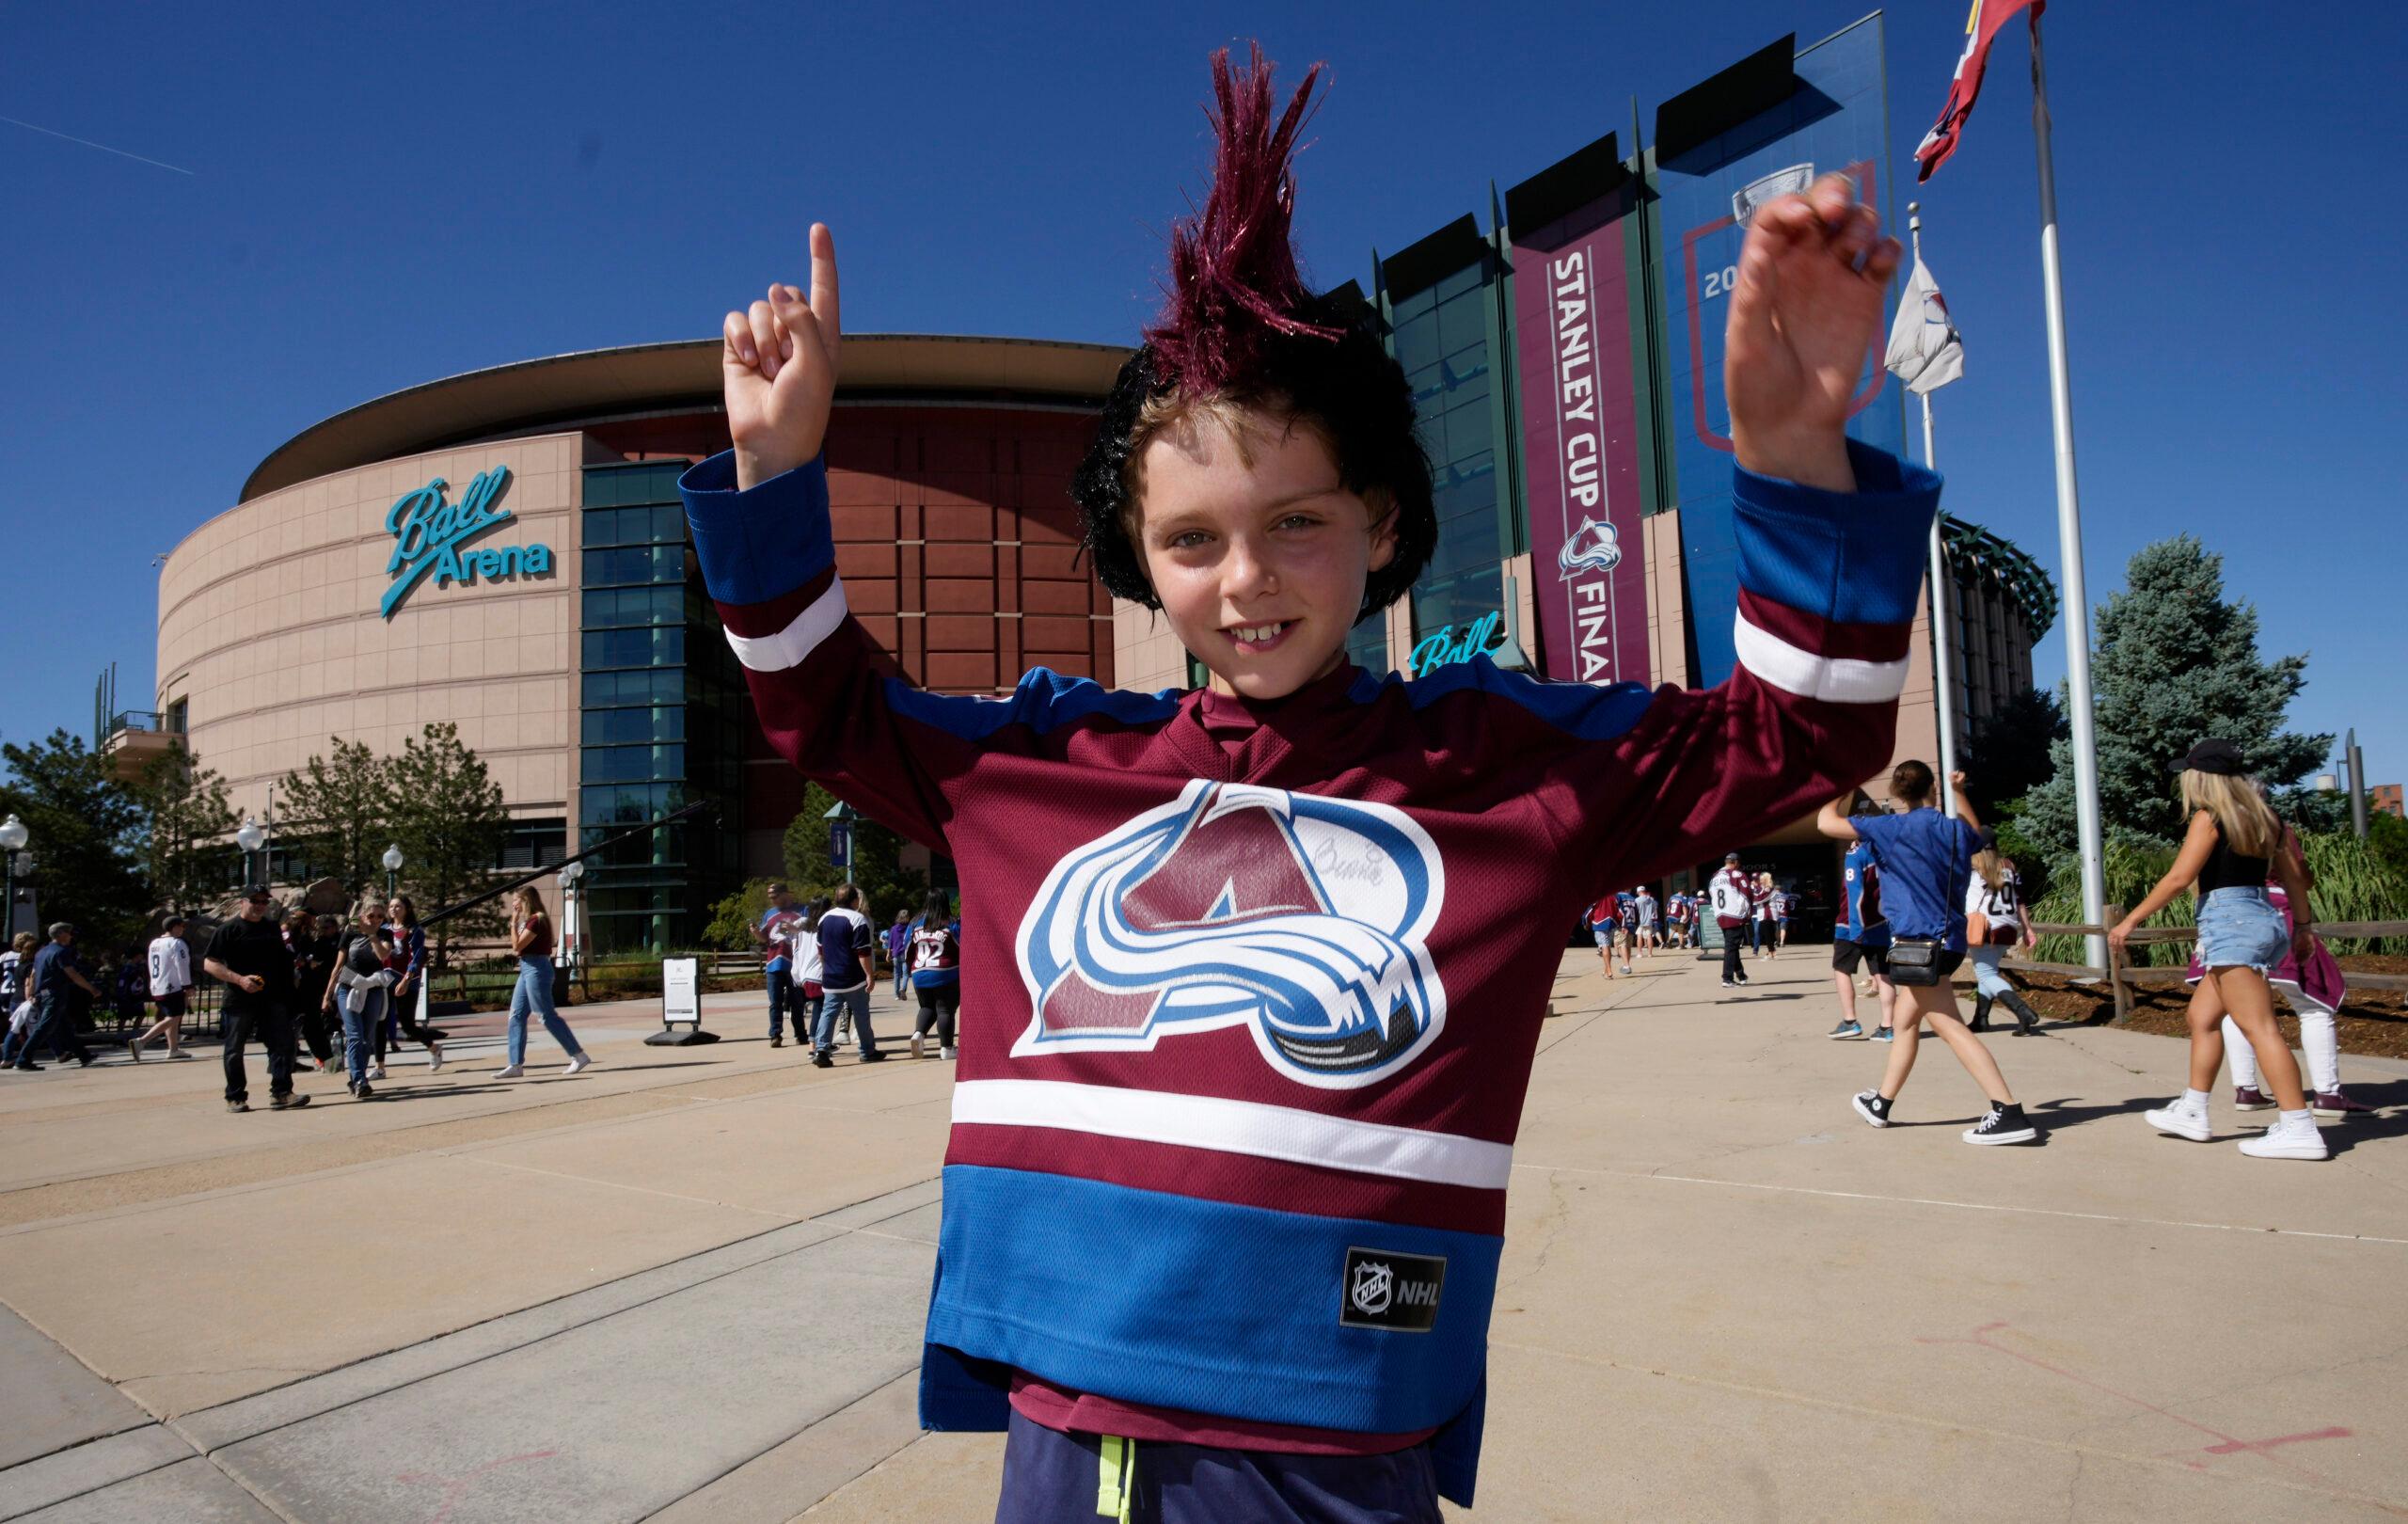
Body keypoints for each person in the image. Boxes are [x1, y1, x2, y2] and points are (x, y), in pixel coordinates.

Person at [684, 49, 1924, 1515]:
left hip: (1338, 1457)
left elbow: (1799, 741)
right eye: (1192, 541)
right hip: (1064, 1446)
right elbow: (824, 716)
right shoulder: (1039, 766)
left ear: (1381, 518)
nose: (1248, 581)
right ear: (1138, 561)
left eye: (1297, 522)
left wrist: (1793, 463)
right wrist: (775, 478)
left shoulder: (1503, 768)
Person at [2123, 739, 2326, 1161]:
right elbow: (2293, 881)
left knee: (2260, 1027)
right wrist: (2303, 927)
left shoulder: (2209, 816)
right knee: (2201, 1015)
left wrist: (2130, 920)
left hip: (2230, 922)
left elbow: (2180, 877)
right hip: (2259, 915)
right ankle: (2194, 1109)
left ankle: (2299, 1127)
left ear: (2201, 777)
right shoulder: (2267, 817)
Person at [1821, 767, 2036, 1144]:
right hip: (1947, 942)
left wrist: (1840, 786)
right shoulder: (1952, 830)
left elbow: (1826, 823)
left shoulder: (1888, 828)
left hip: (1918, 947)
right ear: (1933, 789)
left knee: (1949, 1025)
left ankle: (2007, 1110)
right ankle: (1881, 1104)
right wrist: (1959, 792)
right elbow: (1980, 833)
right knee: (1904, 1022)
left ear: (1897, 793)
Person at [2183, 816, 2369, 1117]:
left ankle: (2245, 1087)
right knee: (2312, 1006)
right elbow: (2298, 878)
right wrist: (2304, 923)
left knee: (2231, 1007)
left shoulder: (2214, 822)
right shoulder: (2270, 825)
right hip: (2270, 914)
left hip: (2225, 917)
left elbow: (2187, 875)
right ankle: (2325, 1094)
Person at [202, 887, 307, 1113]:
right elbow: (210, 963)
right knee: (234, 1049)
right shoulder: (228, 929)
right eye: (255, 901)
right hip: (239, 999)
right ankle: (235, 1096)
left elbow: (281, 960)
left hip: (272, 997)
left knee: (282, 1044)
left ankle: (281, 1093)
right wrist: (239, 980)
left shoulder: (271, 928)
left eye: (263, 901)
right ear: (242, 902)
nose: (260, 905)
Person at [499, 886, 591, 1078]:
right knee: (515, 1015)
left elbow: (517, 946)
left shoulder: (536, 920)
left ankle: (578, 1055)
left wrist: (513, 924)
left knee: (546, 1015)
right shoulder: (532, 920)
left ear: (525, 900)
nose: (513, 904)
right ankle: (515, 1064)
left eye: (516, 900)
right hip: (526, 968)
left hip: (537, 969)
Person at [1826, 793, 1893, 1042]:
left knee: (1841, 970)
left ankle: (1850, 1021)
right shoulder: (1886, 856)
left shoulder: (1856, 855)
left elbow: (1855, 893)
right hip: (1881, 923)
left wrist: (1856, 928)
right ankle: (1888, 1026)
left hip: (1851, 924)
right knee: (1882, 974)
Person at [1963, 835, 2043, 1036]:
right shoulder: (2008, 867)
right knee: (1988, 972)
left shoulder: (1972, 869)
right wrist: (2027, 928)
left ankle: (2023, 1011)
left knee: (1986, 974)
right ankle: (1980, 1019)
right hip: (2007, 927)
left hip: (1984, 928)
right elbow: (2021, 900)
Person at [7, 922, 98, 1071]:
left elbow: (34, 975)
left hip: (43, 995)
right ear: (61, 934)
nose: (70, 936)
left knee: (64, 1027)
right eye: (68, 933)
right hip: (54, 995)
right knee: (43, 1029)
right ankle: (23, 1060)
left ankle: (84, 1055)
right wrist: (92, 989)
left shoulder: (41, 952)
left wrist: (32, 993)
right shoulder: (61, 951)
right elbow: (72, 974)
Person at [327, 905, 396, 1098]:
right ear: (361, 916)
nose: (375, 919)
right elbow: (338, 966)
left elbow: (383, 956)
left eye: (380, 916)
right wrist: (327, 995)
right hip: (348, 988)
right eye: (371, 915)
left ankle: (355, 1078)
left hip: (372, 989)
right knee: (355, 1035)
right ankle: (360, 1080)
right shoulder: (349, 935)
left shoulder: (384, 935)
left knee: (367, 1039)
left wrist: (373, 935)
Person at [371, 896, 444, 1077]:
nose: (394, 909)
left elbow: (416, 957)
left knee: (408, 1026)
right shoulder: (384, 929)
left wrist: (406, 980)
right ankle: (380, 1067)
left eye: (399, 906)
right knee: (380, 1022)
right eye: (392, 906)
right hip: (386, 978)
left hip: (406, 981)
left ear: (407, 909)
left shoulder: (414, 931)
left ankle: (434, 1048)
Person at [812, 883, 879, 1064]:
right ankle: (867, 1051)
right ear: (854, 900)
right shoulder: (858, 920)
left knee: (828, 1014)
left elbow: (820, 950)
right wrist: (869, 975)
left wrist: (827, 968)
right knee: (861, 1014)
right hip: (853, 978)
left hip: (831, 977)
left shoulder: (824, 918)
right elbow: (863, 953)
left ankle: (821, 1050)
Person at [909, 889, 962, 1060]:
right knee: (945, 1010)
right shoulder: (951, 923)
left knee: (927, 1007)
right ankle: (946, 1048)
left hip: (919, 972)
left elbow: (906, 948)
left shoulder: (915, 923)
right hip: (945, 972)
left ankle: (919, 1034)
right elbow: (964, 945)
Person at [132, 915, 196, 1059]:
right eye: (181, 926)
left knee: (170, 1016)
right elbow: (182, 965)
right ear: (174, 927)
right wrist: (188, 985)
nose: (183, 929)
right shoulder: (177, 943)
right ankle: (141, 1041)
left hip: (157, 985)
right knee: (174, 1017)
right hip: (173, 986)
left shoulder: (154, 943)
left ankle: (173, 1049)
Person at [286, 910, 341, 1072]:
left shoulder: (301, 938)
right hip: (300, 990)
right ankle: (327, 1064)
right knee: (309, 1028)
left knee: (310, 1028)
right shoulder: (294, 938)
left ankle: (326, 1063)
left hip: (307, 989)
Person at [752, 881, 803, 1047]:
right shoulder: (769, 914)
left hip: (794, 963)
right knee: (775, 1001)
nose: (772, 900)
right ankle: (775, 1034)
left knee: (797, 1001)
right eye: (770, 898)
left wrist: (792, 929)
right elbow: (765, 938)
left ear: (785, 894)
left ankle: (801, 1034)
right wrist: (756, 933)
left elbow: (809, 932)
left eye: (775, 897)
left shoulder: (802, 911)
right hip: (774, 962)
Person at [1708, 853, 1753, 988]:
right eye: (1738, 863)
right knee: (1731, 948)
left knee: (1732, 946)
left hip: (1720, 914)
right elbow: (1747, 894)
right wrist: (1748, 913)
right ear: (1735, 862)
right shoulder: (1737, 875)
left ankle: (1741, 975)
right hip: (1734, 914)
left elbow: (1711, 894)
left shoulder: (1715, 876)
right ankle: (1727, 978)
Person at [887, 909, 912, 1001]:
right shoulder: (909, 928)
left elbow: (890, 942)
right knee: (906, 974)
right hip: (905, 953)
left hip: (896, 954)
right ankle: (903, 989)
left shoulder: (894, 928)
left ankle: (897, 995)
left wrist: (888, 953)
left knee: (896, 975)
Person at [1753, 871, 1780, 958]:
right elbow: (1757, 896)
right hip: (1764, 913)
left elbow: (1760, 899)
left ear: (1765, 880)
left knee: (1767, 933)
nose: (1760, 881)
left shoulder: (1769, 888)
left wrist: (1755, 888)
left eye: (1761, 879)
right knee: (1767, 933)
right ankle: (1771, 951)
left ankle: (1772, 951)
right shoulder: (1763, 888)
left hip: (1768, 913)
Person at [1632, 886, 1658, 957]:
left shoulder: (1637, 900)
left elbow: (1634, 911)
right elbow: (1655, 907)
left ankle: (1640, 953)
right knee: (1649, 936)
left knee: (1639, 936)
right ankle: (1650, 953)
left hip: (1640, 921)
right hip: (1649, 920)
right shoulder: (1651, 899)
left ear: (1639, 892)